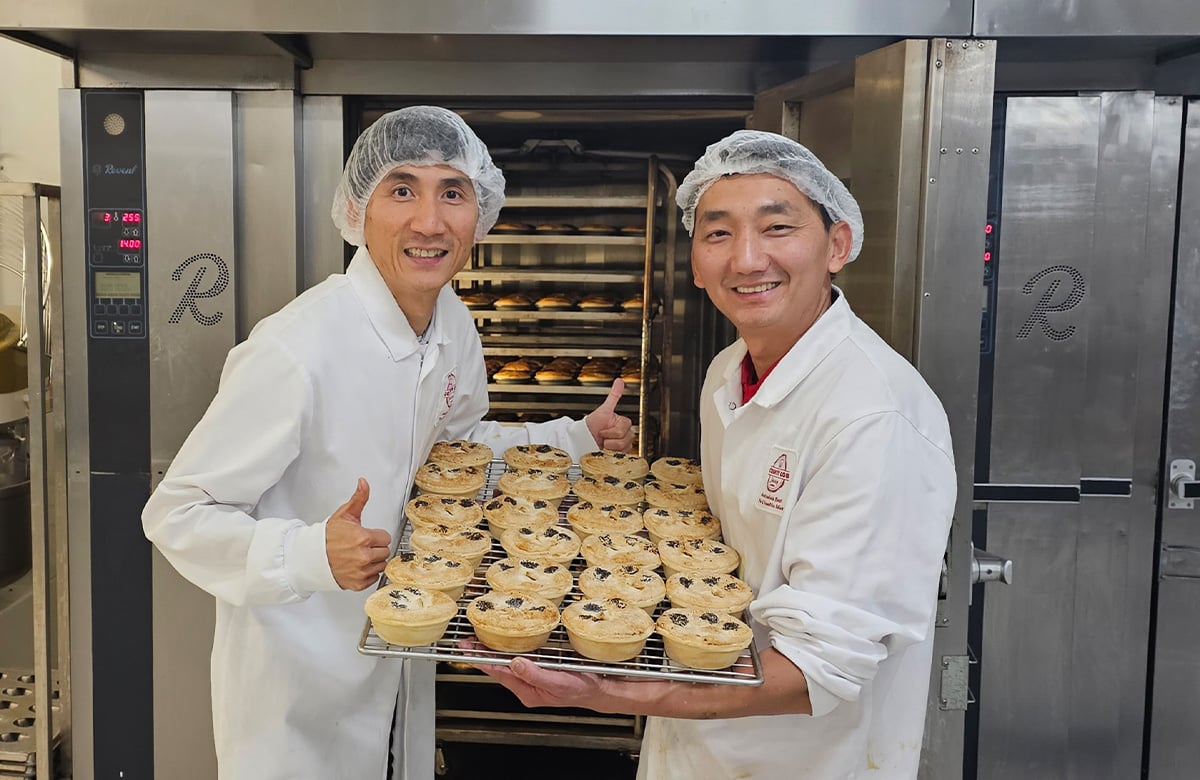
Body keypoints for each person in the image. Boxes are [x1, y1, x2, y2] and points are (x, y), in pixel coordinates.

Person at [141, 105, 633, 780]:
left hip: (400, 646)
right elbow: (177, 513)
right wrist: (311, 552)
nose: (429, 221)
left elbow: (452, 451)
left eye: (452, 193)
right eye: (402, 189)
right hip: (299, 685)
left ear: (479, 215)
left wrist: (572, 438)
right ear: (358, 210)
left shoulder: (451, 321)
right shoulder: (297, 350)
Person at [478, 130, 957, 779]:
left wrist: (611, 691)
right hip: (702, 726)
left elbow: (821, 667)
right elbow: (725, 536)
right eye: (719, 234)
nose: (747, 259)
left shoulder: (874, 416)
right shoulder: (729, 371)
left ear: (837, 245)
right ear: (697, 264)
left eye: (777, 227)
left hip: (807, 757)